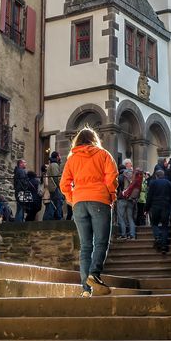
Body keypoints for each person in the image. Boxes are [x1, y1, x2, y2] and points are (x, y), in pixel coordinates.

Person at [59, 127, 118, 296]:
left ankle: (86, 290)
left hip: (79, 202)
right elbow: (112, 177)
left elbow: (64, 184)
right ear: (94, 139)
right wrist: (111, 195)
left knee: (85, 246)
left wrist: (72, 198)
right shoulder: (103, 154)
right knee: (101, 242)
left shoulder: (72, 159)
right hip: (99, 199)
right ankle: (94, 274)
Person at [146, 167, 171, 252]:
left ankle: (157, 237)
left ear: (156, 176)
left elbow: (149, 197)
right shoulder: (168, 183)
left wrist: (146, 208)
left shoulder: (153, 183)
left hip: (155, 206)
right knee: (165, 226)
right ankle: (164, 246)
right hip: (166, 206)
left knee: (154, 223)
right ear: (163, 175)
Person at [116, 159, 139, 240]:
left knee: (121, 217)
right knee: (130, 217)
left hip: (122, 198)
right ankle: (132, 235)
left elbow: (117, 186)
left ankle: (123, 235)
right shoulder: (133, 174)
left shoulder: (121, 175)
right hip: (131, 198)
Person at [47, 150, 65, 219]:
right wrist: (61, 186)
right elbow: (56, 178)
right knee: (58, 203)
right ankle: (59, 219)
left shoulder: (53, 164)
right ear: (57, 157)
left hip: (53, 187)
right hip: (55, 188)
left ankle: (57, 218)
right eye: (59, 155)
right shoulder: (54, 165)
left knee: (56, 203)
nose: (60, 157)